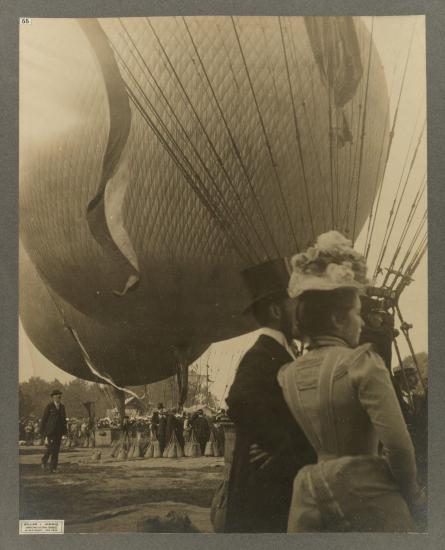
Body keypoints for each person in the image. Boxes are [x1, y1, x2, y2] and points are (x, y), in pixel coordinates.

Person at [277, 231, 424, 532]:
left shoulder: (287, 375)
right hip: (366, 492)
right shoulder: (362, 364)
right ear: (336, 319)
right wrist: (412, 496)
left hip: (310, 495)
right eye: (356, 313)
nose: (361, 322)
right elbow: (398, 446)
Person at [224, 259, 316, 533]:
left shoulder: (277, 351)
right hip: (262, 487)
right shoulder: (262, 353)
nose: (300, 313)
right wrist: (279, 444)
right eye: (294, 306)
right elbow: (240, 400)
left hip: (269, 481)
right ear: (277, 310)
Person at [40, 389, 68, 473]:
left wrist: (65, 432)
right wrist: (42, 432)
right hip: (50, 432)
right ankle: (44, 460)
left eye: (59, 395)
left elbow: (64, 420)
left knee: (56, 450)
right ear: (53, 397)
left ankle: (53, 468)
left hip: (59, 432)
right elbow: (44, 419)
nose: (58, 397)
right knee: (51, 448)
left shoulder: (62, 407)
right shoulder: (49, 406)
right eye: (56, 395)